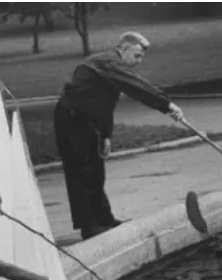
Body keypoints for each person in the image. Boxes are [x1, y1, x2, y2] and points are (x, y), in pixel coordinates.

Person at [55, 32, 185, 240]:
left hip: (87, 120)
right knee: (82, 172)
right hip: (71, 120)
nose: (138, 62)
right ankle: (88, 227)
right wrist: (166, 104)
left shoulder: (112, 68)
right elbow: (136, 85)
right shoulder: (108, 62)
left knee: (96, 172)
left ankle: (105, 219)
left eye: (141, 58)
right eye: (136, 56)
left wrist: (105, 135)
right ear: (123, 48)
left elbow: (106, 105)